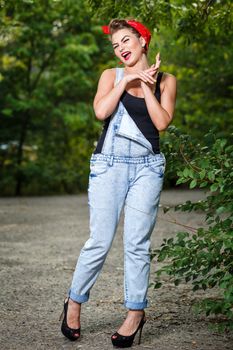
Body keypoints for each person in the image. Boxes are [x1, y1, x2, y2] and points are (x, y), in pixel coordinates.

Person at [60, 18, 177, 347]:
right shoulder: (110, 76)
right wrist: (127, 81)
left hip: (147, 168)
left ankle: (135, 313)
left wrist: (149, 87)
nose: (121, 48)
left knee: (137, 245)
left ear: (143, 41)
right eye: (115, 45)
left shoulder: (167, 80)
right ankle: (73, 302)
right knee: (99, 241)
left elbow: (161, 123)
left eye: (126, 40)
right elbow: (101, 111)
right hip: (108, 164)